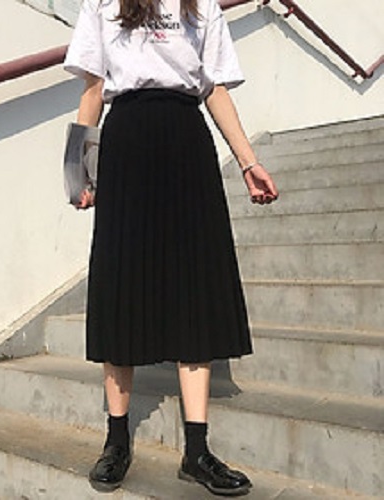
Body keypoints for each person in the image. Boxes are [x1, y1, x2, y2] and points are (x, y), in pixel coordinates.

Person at [64, 0, 279, 495]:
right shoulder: (102, 3)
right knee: (121, 281)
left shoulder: (202, 6)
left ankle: (197, 451)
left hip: (187, 140)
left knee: (194, 284)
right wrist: (77, 172)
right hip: (127, 141)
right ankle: (116, 442)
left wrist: (248, 162)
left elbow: (214, 89)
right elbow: (93, 90)